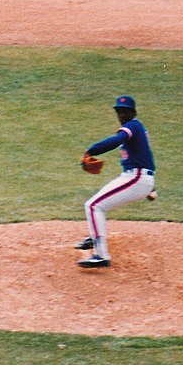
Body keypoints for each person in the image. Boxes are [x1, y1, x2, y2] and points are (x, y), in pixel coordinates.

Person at [76, 95, 156, 268]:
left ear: (133, 112)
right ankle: (96, 237)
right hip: (135, 178)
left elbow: (117, 140)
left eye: (125, 111)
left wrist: (91, 151)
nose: (122, 114)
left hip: (136, 178)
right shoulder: (138, 129)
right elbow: (146, 156)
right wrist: (151, 188)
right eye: (119, 111)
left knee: (93, 206)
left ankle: (101, 255)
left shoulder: (133, 126)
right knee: (96, 204)